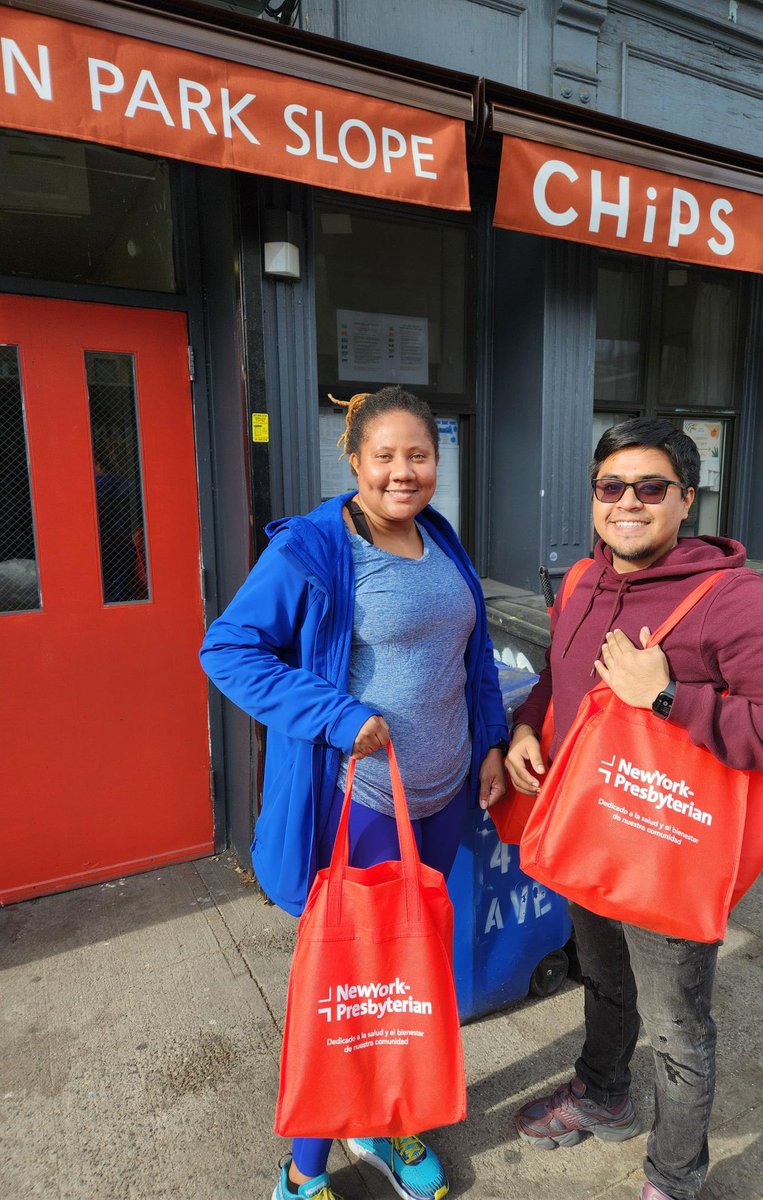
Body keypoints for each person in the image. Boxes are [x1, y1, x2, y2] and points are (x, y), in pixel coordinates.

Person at [200, 387, 508, 1200]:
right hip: (363, 804)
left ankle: (387, 1116)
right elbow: (228, 649)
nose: (404, 472)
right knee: (347, 990)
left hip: (439, 803)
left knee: (406, 978)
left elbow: (471, 658)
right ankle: (302, 1174)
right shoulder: (313, 547)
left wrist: (493, 743)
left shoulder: (439, 537)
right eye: (386, 456)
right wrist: (337, 715)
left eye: (420, 455)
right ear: (354, 458)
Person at [504, 417, 763, 1200]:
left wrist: (672, 697)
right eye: (612, 487)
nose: (629, 503)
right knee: (605, 981)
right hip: (589, 831)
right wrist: (523, 725)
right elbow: (560, 673)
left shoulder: (731, 599)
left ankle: (675, 1179)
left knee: (679, 1029)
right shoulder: (582, 580)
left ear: (687, 499)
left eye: (652, 488)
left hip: (664, 843)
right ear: (593, 500)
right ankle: (603, 1094)